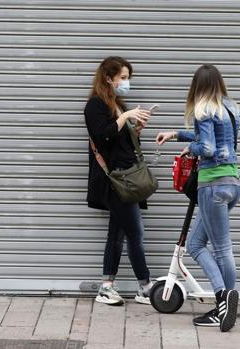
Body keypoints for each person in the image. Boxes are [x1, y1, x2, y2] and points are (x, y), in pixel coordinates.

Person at [156, 64, 240, 332]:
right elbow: (215, 139)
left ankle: (222, 297)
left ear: (197, 85)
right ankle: (227, 302)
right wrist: (176, 134)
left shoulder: (203, 107)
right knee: (195, 243)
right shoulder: (230, 107)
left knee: (219, 249)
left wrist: (189, 148)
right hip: (232, 183)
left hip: (212, 184)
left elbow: (206, 146)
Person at [84, 56, 153, 306]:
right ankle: (145, 286)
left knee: (118, 233)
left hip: (126, 178)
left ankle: (106, 287)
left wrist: (136, 130)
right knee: (135, 232)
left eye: (128, 78)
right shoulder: (95, 106)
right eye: (123, 77)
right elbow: (103, 137)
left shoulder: (117, 104)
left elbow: (121, 144)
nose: (126, 82)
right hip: (114, 180)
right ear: (108, 78)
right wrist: (125, 118)